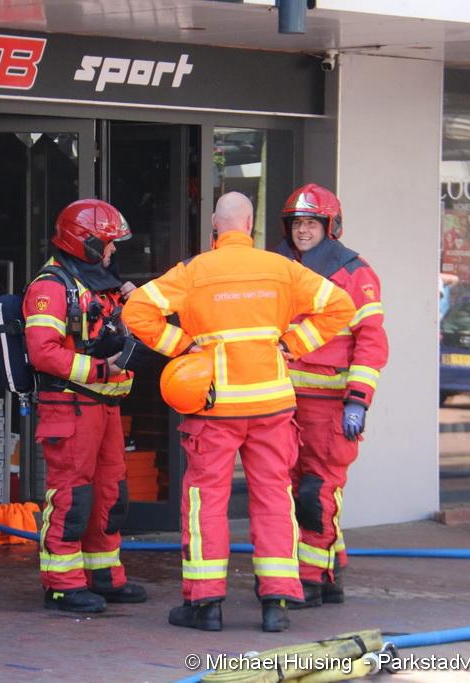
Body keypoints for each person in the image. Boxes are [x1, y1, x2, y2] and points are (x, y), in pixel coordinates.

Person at [123, 192, 354, 632]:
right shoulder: (282, 269)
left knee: (206, 502)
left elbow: (137, 309)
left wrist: (183, 347)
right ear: (250, 225)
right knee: (274, 498)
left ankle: (205, 604)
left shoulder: (194, 271)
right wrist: (293, 344)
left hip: (214, 406)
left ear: (215, 225)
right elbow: (341, 306)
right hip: (271, 407)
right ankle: (277, 602)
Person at [23, 198, 147, 613]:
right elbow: (43, 352)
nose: (113, 251)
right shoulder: (51, 287)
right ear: (87, 243)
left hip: (105, 406)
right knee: (72, 496)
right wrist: (98, 368)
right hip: (71, 405)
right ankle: (63, 584)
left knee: (110, 494)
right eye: (108, 243)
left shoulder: (101, 283)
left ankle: (104, 576)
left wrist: (136, 303)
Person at [275, 183, 389, 609]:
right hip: (282, 402)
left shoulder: (355, 273)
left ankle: (310, 580)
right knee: (290, 490)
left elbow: (371, 342)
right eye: (297, 223)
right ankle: (330, 571)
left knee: (315, 492)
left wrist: (357, 400)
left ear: (330, 226)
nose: (303, 231)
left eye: (311, 223)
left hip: (329, 407)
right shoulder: (277, 266)